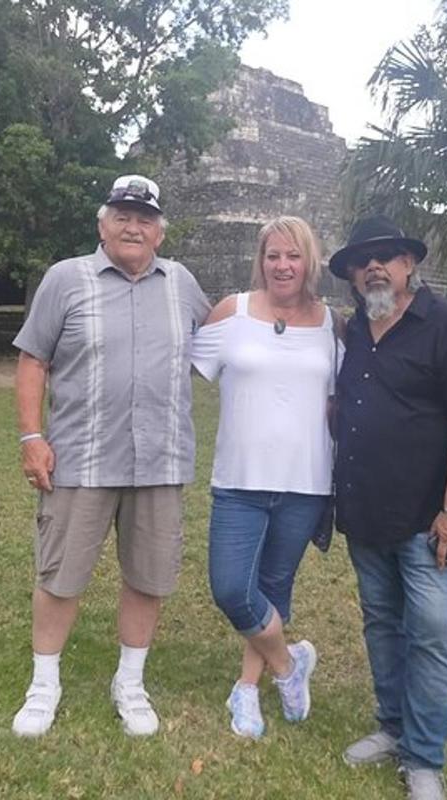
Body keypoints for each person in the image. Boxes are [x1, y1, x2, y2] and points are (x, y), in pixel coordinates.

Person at [10, 174, 211, 738]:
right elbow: (32, 361)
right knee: (61, 574)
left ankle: (131, 681)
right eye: (122, 215)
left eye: (145, 218)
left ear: (160, 233)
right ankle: (44, 683)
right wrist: (32, 438)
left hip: (160, 461)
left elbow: (225, 339)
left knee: (149, 576)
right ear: (102, 225)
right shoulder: (65, 279)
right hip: (80, 458)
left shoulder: (182, 285)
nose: (133, 226)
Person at [328, 216, 447, 800]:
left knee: (431, 632)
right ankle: (392, 727)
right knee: (382, 624)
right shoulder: (355, 330)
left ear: (409, 265)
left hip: (427, 522)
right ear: (352, 275)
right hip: (366, 511)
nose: (375, 266)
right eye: (362, 259)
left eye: (388, 256)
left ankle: (424, 758)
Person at [190, 216, 338, 739]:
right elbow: (180, 370)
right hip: (239, 480)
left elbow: (347, 399)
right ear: (261, 260)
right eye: (273, 255)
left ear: (309, 262)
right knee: (232, 589)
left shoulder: (330, 324)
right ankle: (288, 665)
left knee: (274, 589)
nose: (283, 265)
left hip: (305, 482)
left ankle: (247, 690)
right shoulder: (232, 312)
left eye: (293, 256)